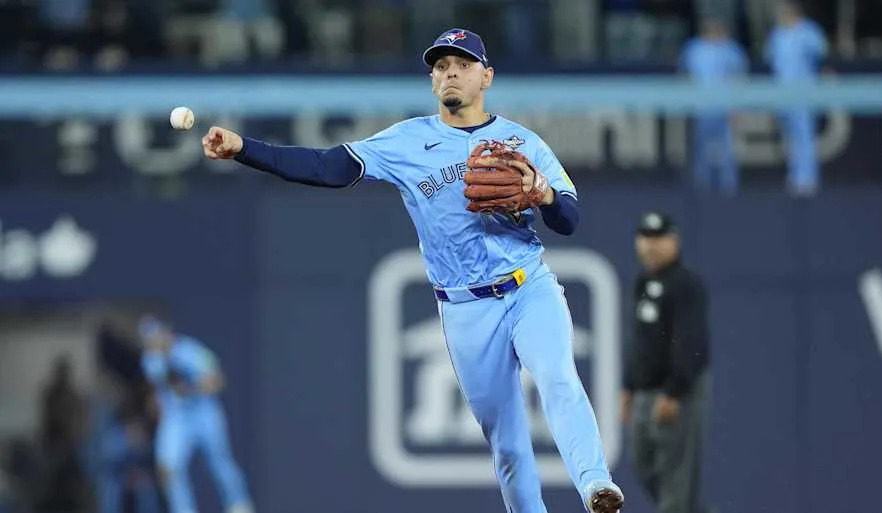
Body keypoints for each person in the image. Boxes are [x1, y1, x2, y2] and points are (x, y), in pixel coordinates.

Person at [200, 27, 624, 513]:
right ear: (431, 81)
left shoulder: (521, 141)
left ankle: (596, 485)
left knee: (557, 376)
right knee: (506, 445)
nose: (450, 73)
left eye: (463, 65)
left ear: (486, 77)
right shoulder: (407, 141)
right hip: (465, 309)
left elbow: (568, 220)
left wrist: (544, 194)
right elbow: (325, 167)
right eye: (441, 67)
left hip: (529, 288)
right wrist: (243, 149)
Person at [620, 212, 711, 513]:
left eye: (659, 238)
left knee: (675, 475)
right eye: (646, 238)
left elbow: (691, 342)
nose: (651, 246)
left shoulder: (685, 283)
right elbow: (639, 341)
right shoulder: (642, 281)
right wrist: (627, 386)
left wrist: (674, 392)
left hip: (674, 393)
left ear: (675, 241)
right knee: (643, 464)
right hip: (645, 391)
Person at [138, 316, 254, 513]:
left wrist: (190, 387)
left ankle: (239, 504)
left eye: (155, 336)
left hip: (203, 414)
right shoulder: (150, 360)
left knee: (219, 461)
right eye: (148, 340)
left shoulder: (191, 351)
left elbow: (217, 381)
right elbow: (157, 390)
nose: (153, 343)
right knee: (168, 467)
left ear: (166, 332)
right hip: (176, 418)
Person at [765, 1, 828, 196]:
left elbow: (822, 55)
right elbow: (771, 60)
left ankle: (808, 179)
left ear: (794, 13)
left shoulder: (810, 31)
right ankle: (794, 176)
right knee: (790, 137)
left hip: (804, 91)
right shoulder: (777, 34)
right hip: (782, 92)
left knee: (805, 135)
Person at [679, 17, 748, 195]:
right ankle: (702, 186)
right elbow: (685, 76)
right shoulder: (694, 49)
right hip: (702, 106)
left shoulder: (731, 50)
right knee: (702, 148)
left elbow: (739, 79)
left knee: (727, 149)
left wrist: (738, 107)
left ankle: (729, 187)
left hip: (726, 106)